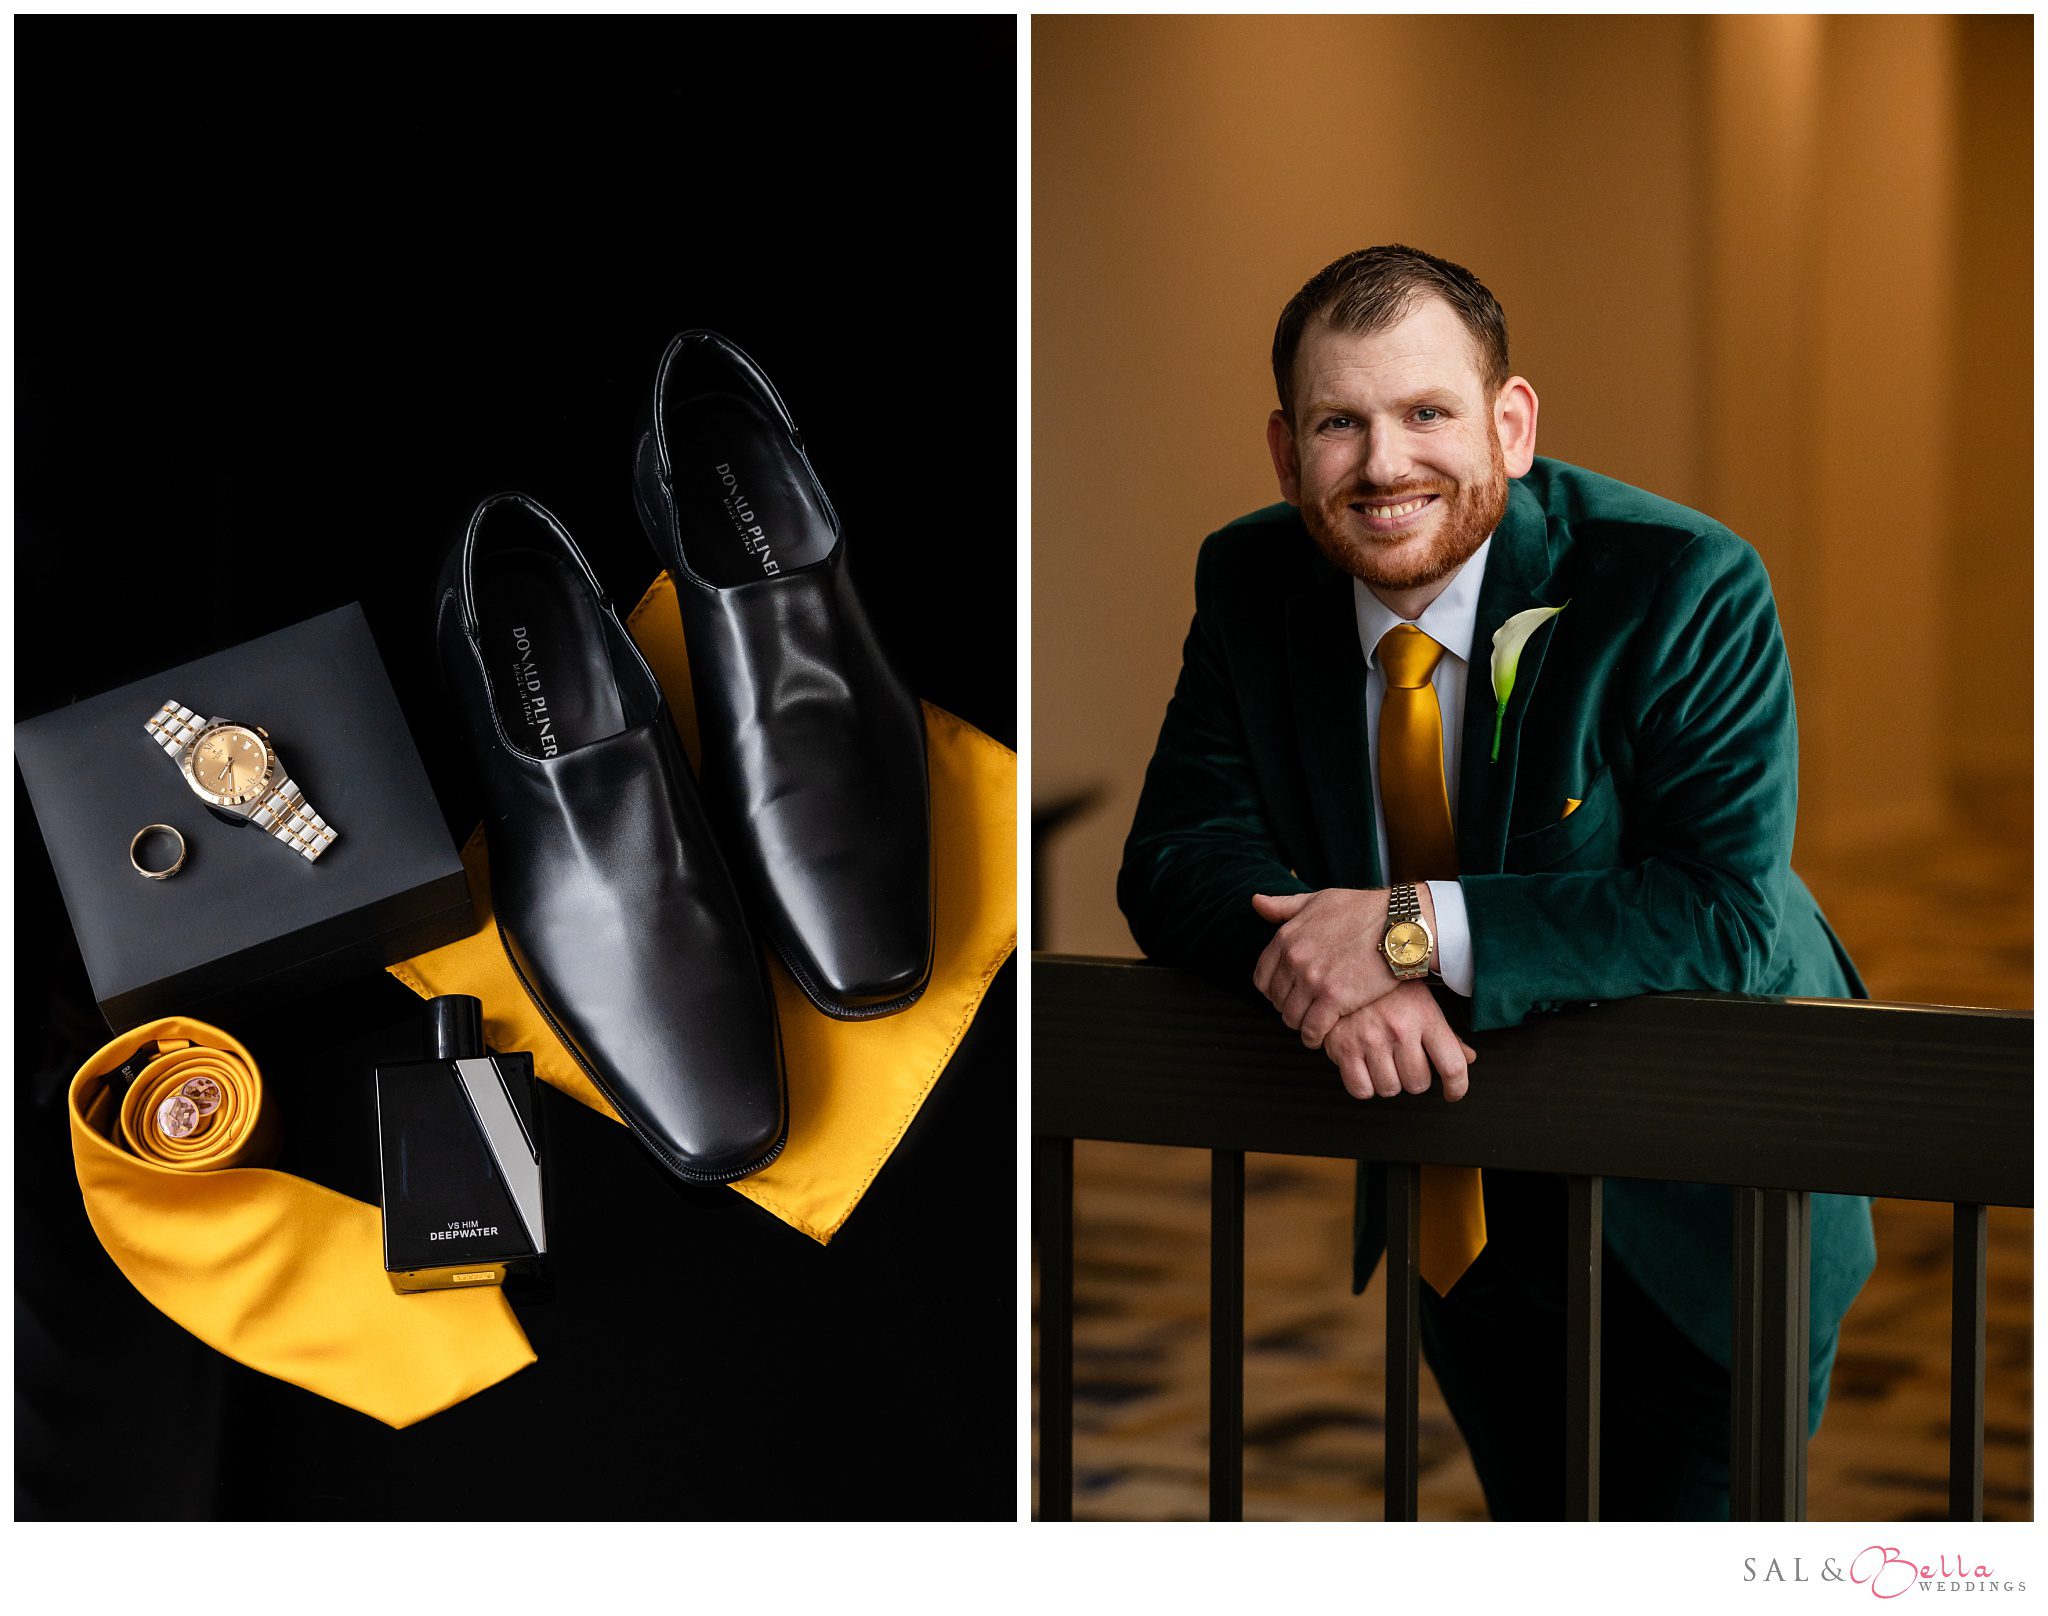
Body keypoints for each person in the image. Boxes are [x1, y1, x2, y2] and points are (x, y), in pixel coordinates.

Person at [1117, 244, 1875, 1520]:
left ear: (1508, 424)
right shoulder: (1250, 581)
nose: (1382, 465)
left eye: (1425, 413)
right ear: (1283, 449)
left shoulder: (1679, 584)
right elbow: (1179, 853)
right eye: (1337, 423)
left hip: (1701, 1208)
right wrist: (1324, 970)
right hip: (1452, 1197)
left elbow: (1721, 914)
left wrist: (1403, 934)